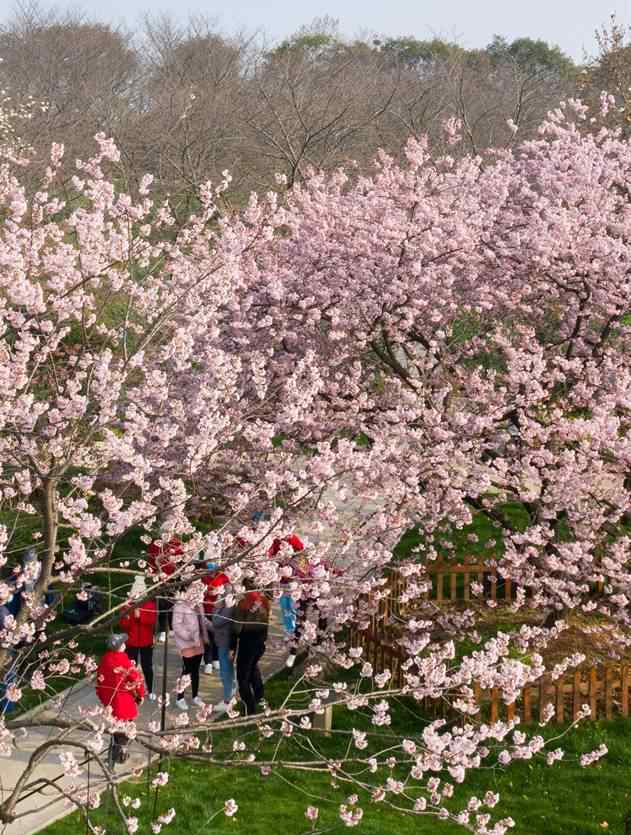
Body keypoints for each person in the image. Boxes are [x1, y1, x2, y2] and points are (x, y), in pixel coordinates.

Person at [95, 633, 145, 765]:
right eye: (123, 643)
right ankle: (119, 756)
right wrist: (140, 694)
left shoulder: (105, 659)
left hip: (110, 702)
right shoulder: (123, 660)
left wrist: (103, 697)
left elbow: (99, 681)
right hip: (123, 702)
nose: (125, 644)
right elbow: (135, 678)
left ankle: (113, 753)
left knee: (114, 729)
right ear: (119, 646)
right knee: (124, 731)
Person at [119, 575, 158, 700]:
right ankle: (133, 690)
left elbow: (152, 621)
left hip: (146, 641)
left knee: (147, 666)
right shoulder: (127, 605)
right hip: (131, 642)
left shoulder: (150, 605)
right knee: (131, 667)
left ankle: (150, 689)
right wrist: (130, 616)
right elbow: (123, 624)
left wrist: (139, 616)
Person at [234, 589, 269, 715]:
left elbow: (237, 627)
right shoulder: (264, 600)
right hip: (260, 642)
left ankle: (249, 707)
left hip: (247, 643)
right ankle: (260, 697)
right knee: (253, 669)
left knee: (243, 676)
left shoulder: (243, 603)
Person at [172, 593, 208, 710]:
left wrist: (207, 634)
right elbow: (176, 626)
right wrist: (189, 637)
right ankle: (180, 697)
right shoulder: (180, 605)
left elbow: (202, 620)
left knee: (195, 670)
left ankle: (195, 696)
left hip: (198, 642)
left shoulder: (198, 602)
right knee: (186, 670)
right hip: (186, 643)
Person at [147, 537, 182, 643]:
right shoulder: (156, 543)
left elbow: (182, 560)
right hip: (158, 578)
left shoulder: (177, 543)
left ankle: (171, 628)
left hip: (173, 578)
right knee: (160, 604)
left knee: (172, 603)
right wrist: (153, 571)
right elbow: (150, 560)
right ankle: (162, 630)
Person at [201, 563, 230, 674]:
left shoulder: (224, 578)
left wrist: (220, 593)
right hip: (206, 610)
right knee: (207, 637)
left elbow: (229, 592)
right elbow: (198, 591)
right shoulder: (203, 578)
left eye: (213, 571)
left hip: (219, 611)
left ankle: (216, 658)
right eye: (209, 571)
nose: (211, 573)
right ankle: (208, 662)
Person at [211, 591, 236, 710]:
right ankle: (231, 696)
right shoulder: (224, 607)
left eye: (220, 596)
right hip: (224, 642)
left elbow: (216, 621)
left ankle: (227, 702)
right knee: (228, 673)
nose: (216, 599)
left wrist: (225, 607)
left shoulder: (229, 608)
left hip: (226, 644)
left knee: (226, 674)